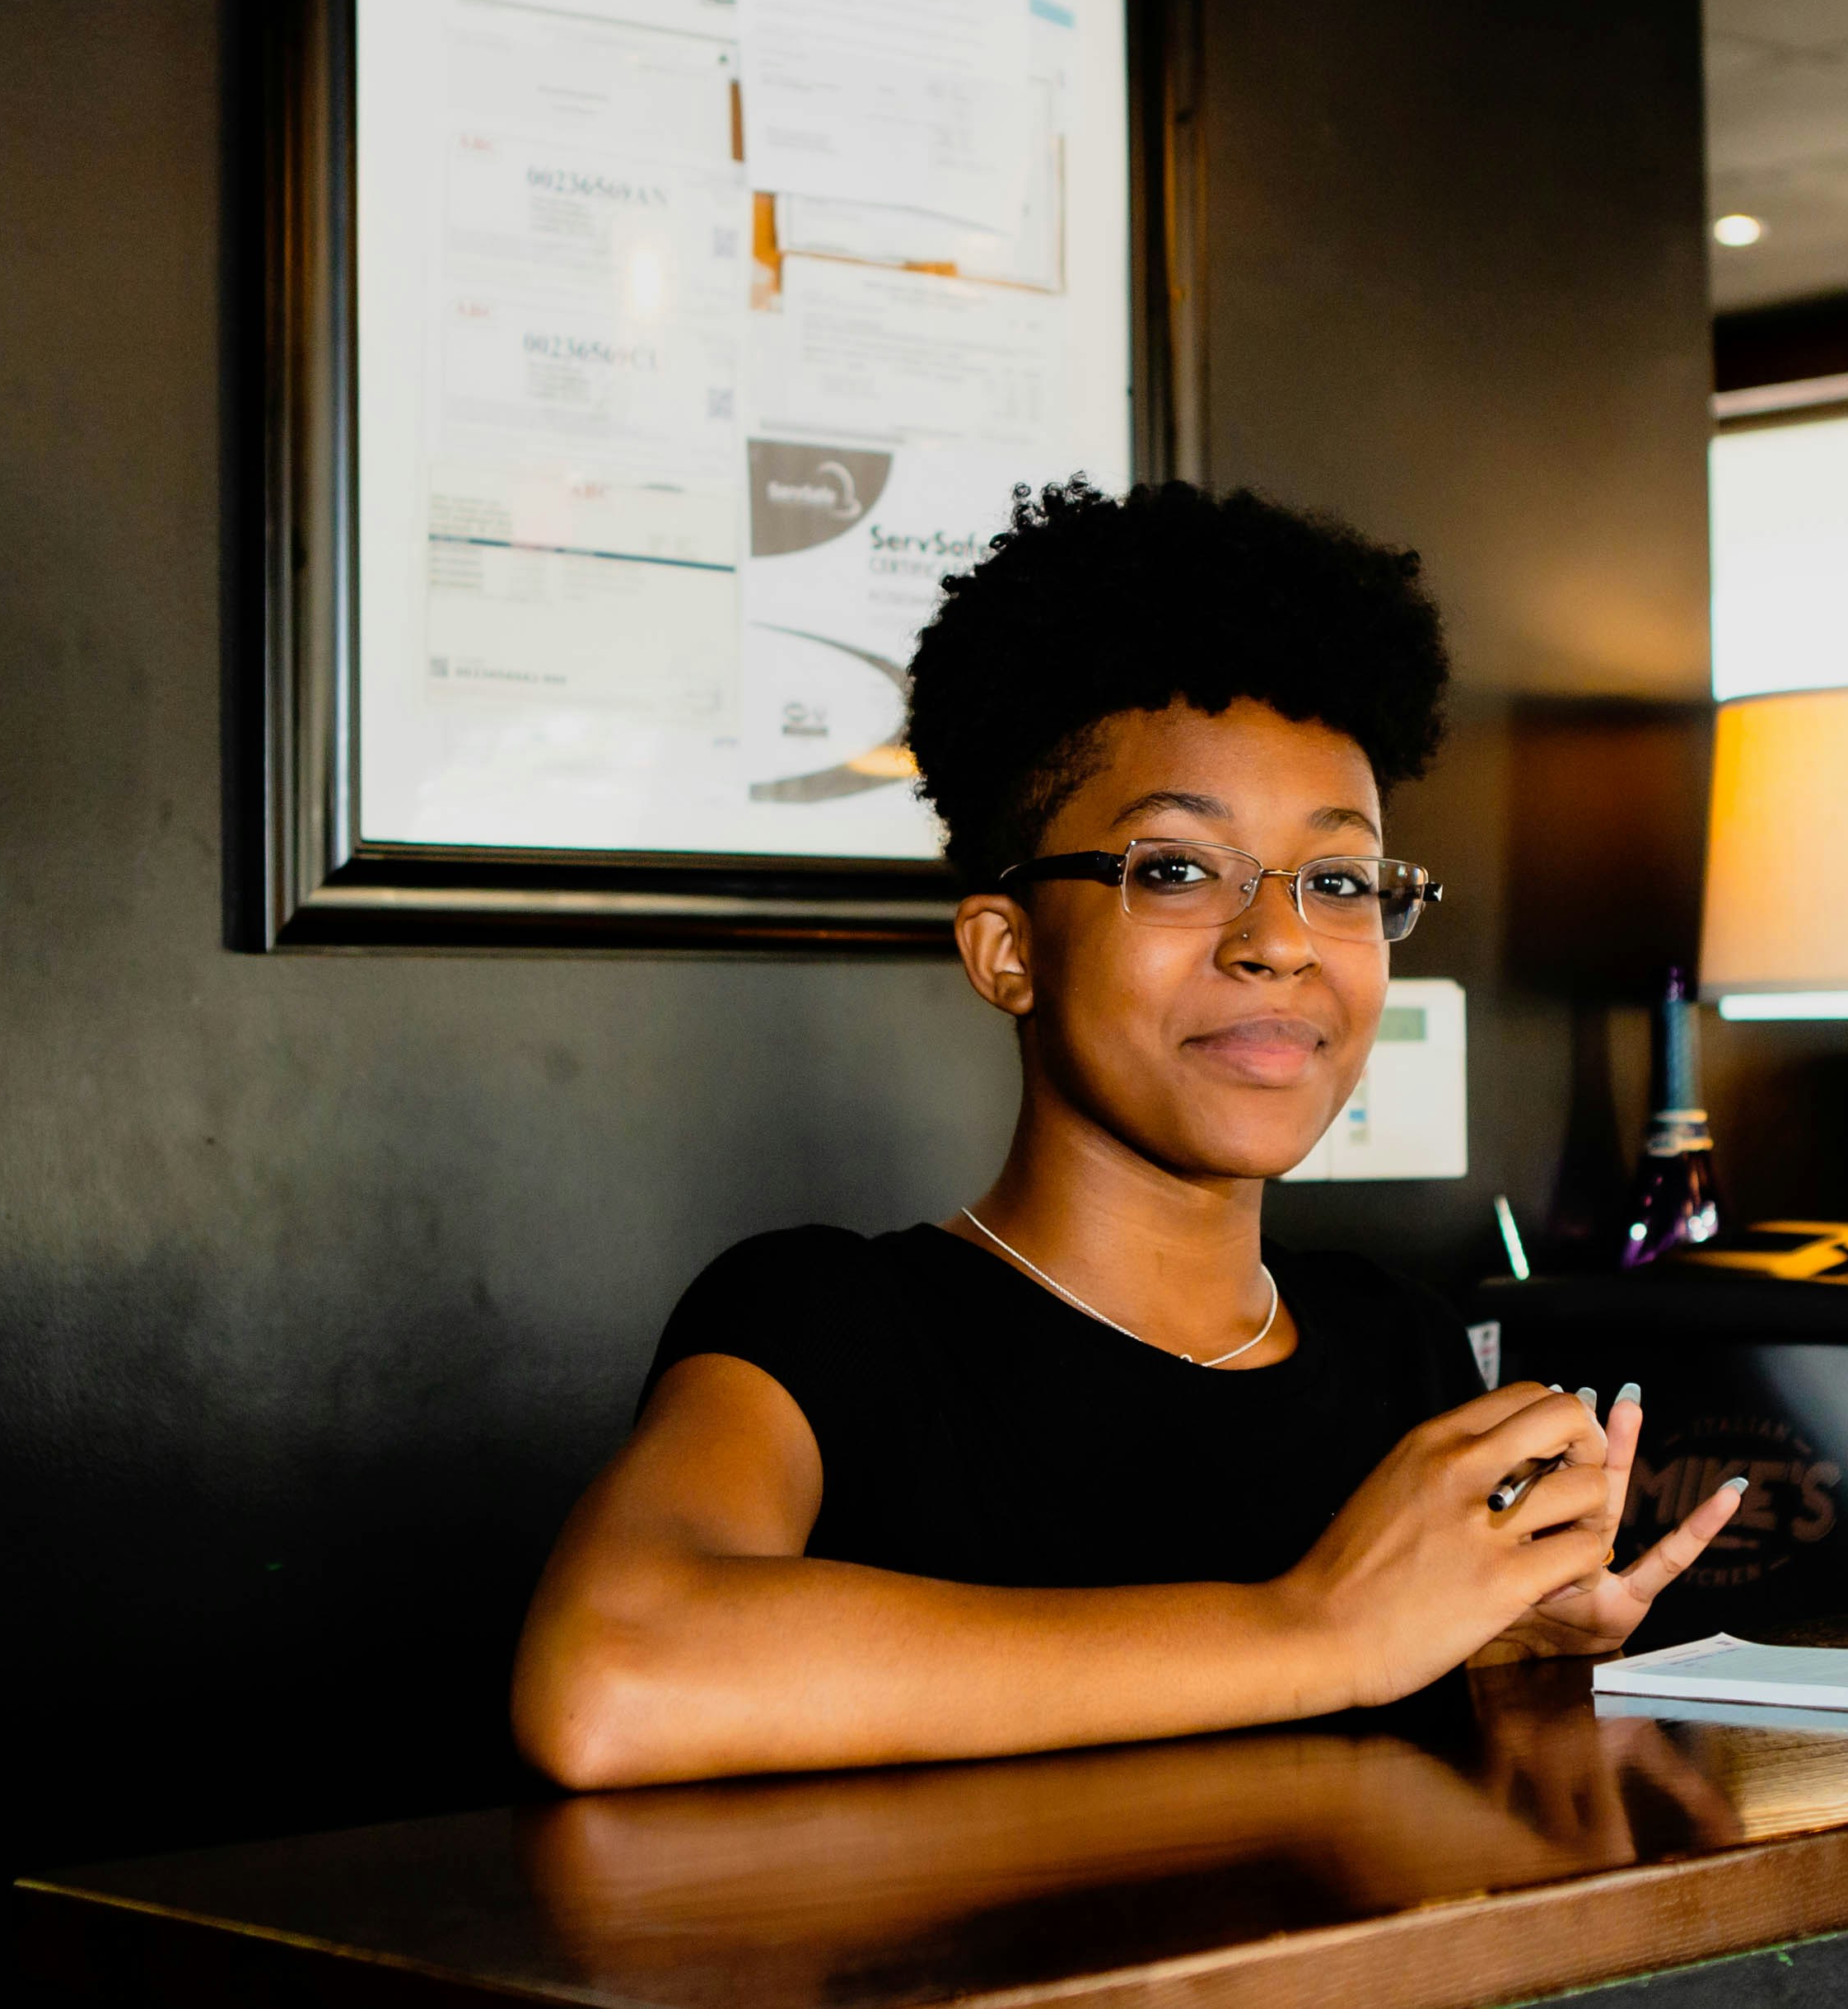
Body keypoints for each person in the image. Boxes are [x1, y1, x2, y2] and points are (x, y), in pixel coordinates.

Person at [511, 479, 1743, 1790]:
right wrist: (1319, 1628)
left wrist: (1504, 1661)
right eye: (1172, 868)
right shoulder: (831, 1324)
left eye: (1336, 881)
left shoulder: (1404, 1353)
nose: (1277, 942)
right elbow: (613, 1677)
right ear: (1006, 952)